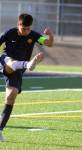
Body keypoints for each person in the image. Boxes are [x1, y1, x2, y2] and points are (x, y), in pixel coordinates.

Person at [0, 13, 54, 142]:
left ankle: (0, 128)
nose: (26, 31)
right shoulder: (9, 33)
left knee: (11, 96)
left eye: (28, 28)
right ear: (18, 25)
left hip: (17, 71)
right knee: (10, 62)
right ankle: (28, 64)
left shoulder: (33, 35)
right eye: (24, 28)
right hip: (4, 61)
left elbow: (49, 43)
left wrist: (51, 36)